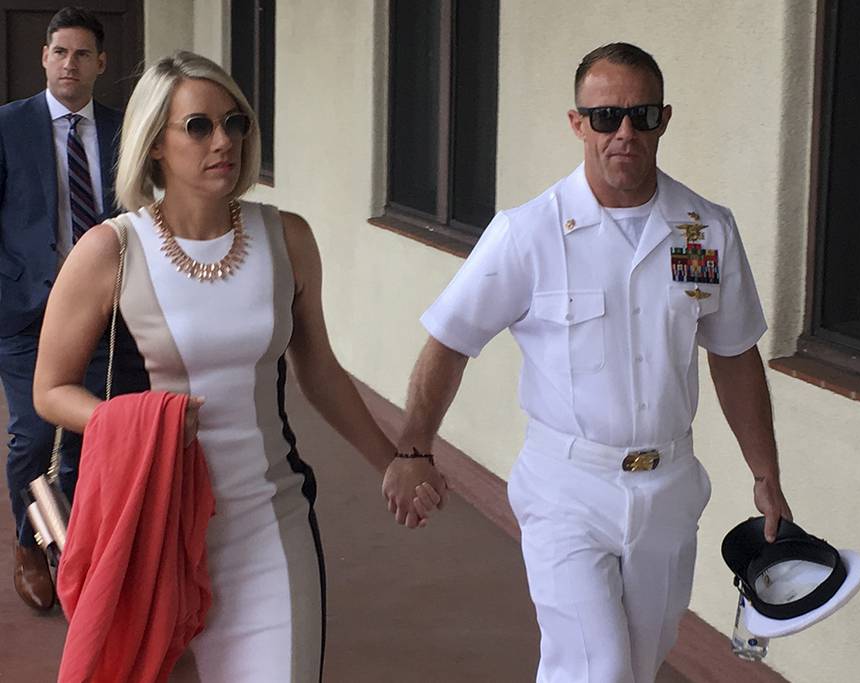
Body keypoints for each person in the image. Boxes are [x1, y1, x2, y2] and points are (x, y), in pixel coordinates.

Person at [384, 42, 793, 683]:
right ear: (577, 123)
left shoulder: (703, 229)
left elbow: (735, 354)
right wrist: (413, 450)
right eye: (605, 117)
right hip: (566, 488)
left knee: (637, 661)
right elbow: (450, 340)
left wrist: (765, 473)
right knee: (594, 668)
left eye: (642, 115)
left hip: (669, 485)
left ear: (663, 120)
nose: (624, 132)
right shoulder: (528, 234)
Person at [34, 50, 443, 681]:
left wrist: (392, 459)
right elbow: (50, 389)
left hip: (268, 520)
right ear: (154, 145)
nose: (222, 140)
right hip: (157, 526)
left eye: (236, 122)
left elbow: (321, 371)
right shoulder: (112, 249)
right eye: (198, 127)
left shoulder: (288, 239)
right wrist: (142, 423)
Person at [0, 6, 144, 611]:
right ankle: (31, 543)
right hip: (27, 309)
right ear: (44, 57)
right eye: (60, 52)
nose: (69, 63)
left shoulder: (125, 130)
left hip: (107, 310)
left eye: (82, 54)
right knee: (31, 439)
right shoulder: (8, 125)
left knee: (93, 435)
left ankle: (76, 548)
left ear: (100, 64)